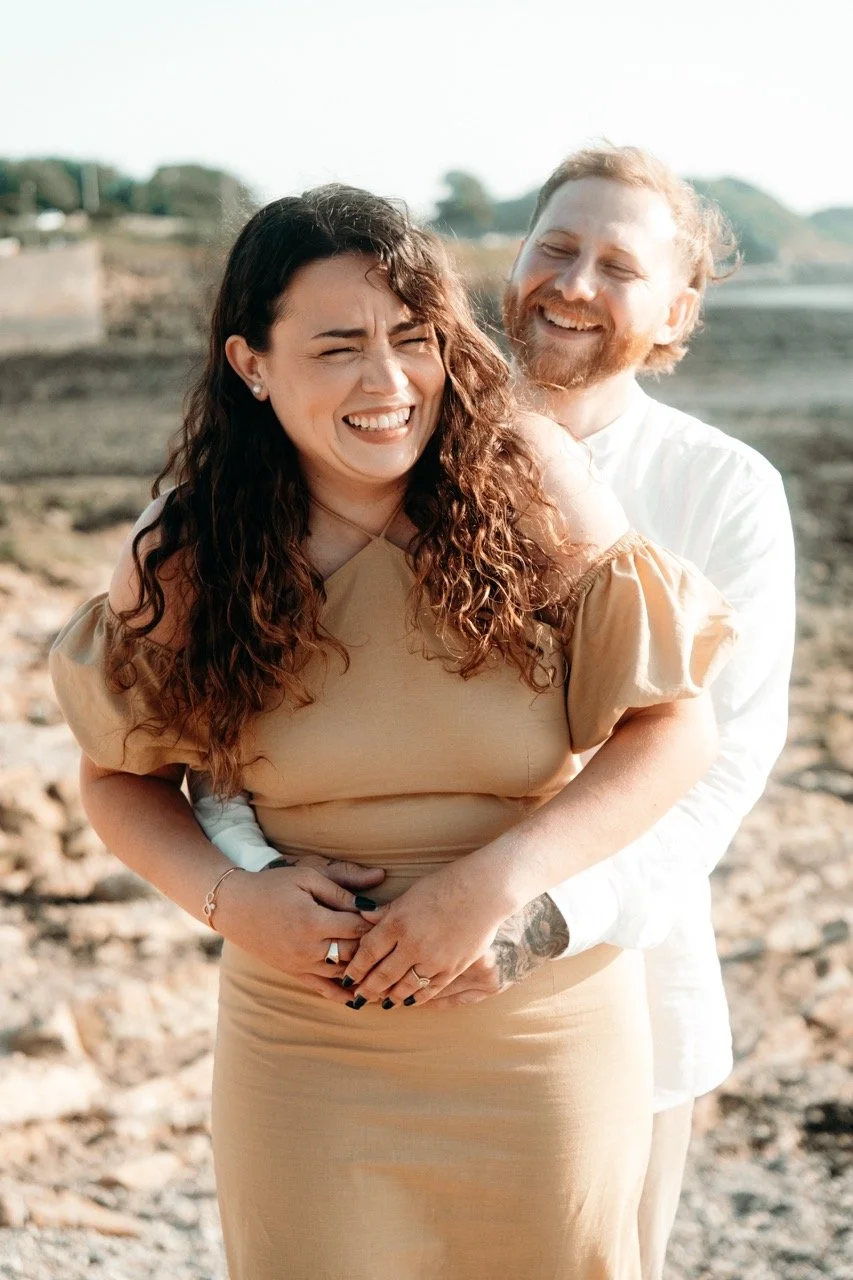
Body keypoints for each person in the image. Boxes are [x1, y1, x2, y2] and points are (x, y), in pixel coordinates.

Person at [50, 185, 736, 1280]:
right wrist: (233, 901)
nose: (388, 382)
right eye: (338, 347)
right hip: (306, 1041)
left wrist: (497, 885)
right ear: (250, 363)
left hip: (538, 1033)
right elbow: (117, 781)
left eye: (412, 338)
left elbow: (674, 731)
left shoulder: (531, 483)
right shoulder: (186, 549)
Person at [496, 145, 795, 1278]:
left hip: (625, 974)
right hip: (391, 987)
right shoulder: (396, 452)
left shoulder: (726, 488)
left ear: (676, 310)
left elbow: (725, 763)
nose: (573, 283)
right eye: (556, 247)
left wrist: (537, 917)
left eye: (619, 267)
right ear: (515, 262)